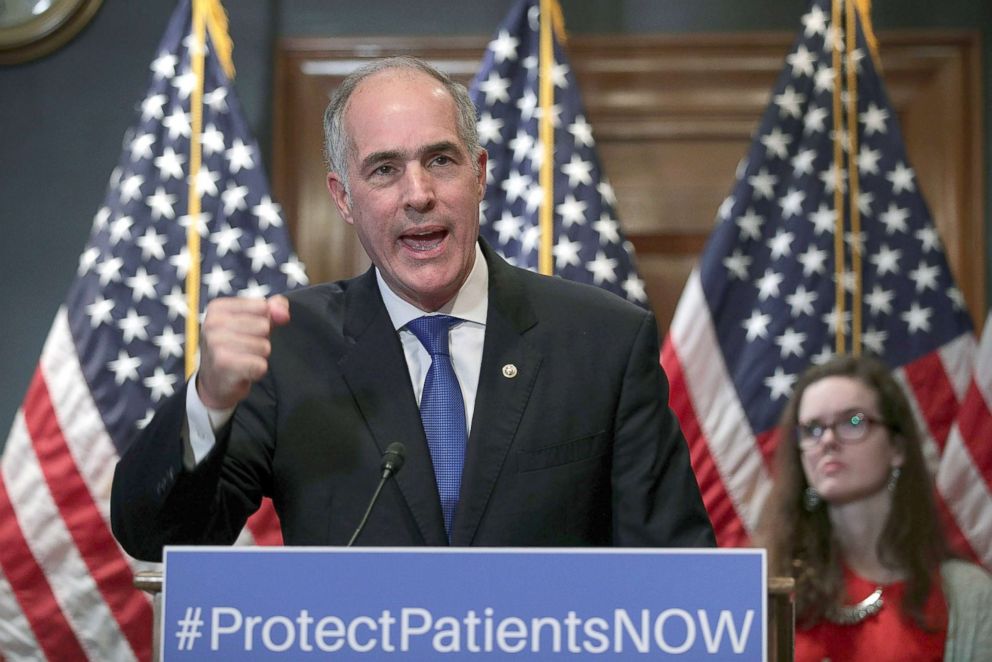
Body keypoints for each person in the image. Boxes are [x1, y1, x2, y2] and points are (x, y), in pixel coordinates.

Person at [110, 56, 715, 560]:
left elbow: (678, 572)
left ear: (478, 175)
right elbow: (158, 538)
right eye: (384, 170)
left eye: (441, 160)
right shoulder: (291, 349)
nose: (419, 194)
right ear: (343, 198)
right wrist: (209, 400)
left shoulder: (603, 341)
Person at [756, 354, 991, 661]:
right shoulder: (765, 584)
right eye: (812, 429)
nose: (827, 440)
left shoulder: (966, 594)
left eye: (853, 421)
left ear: (897, 448)